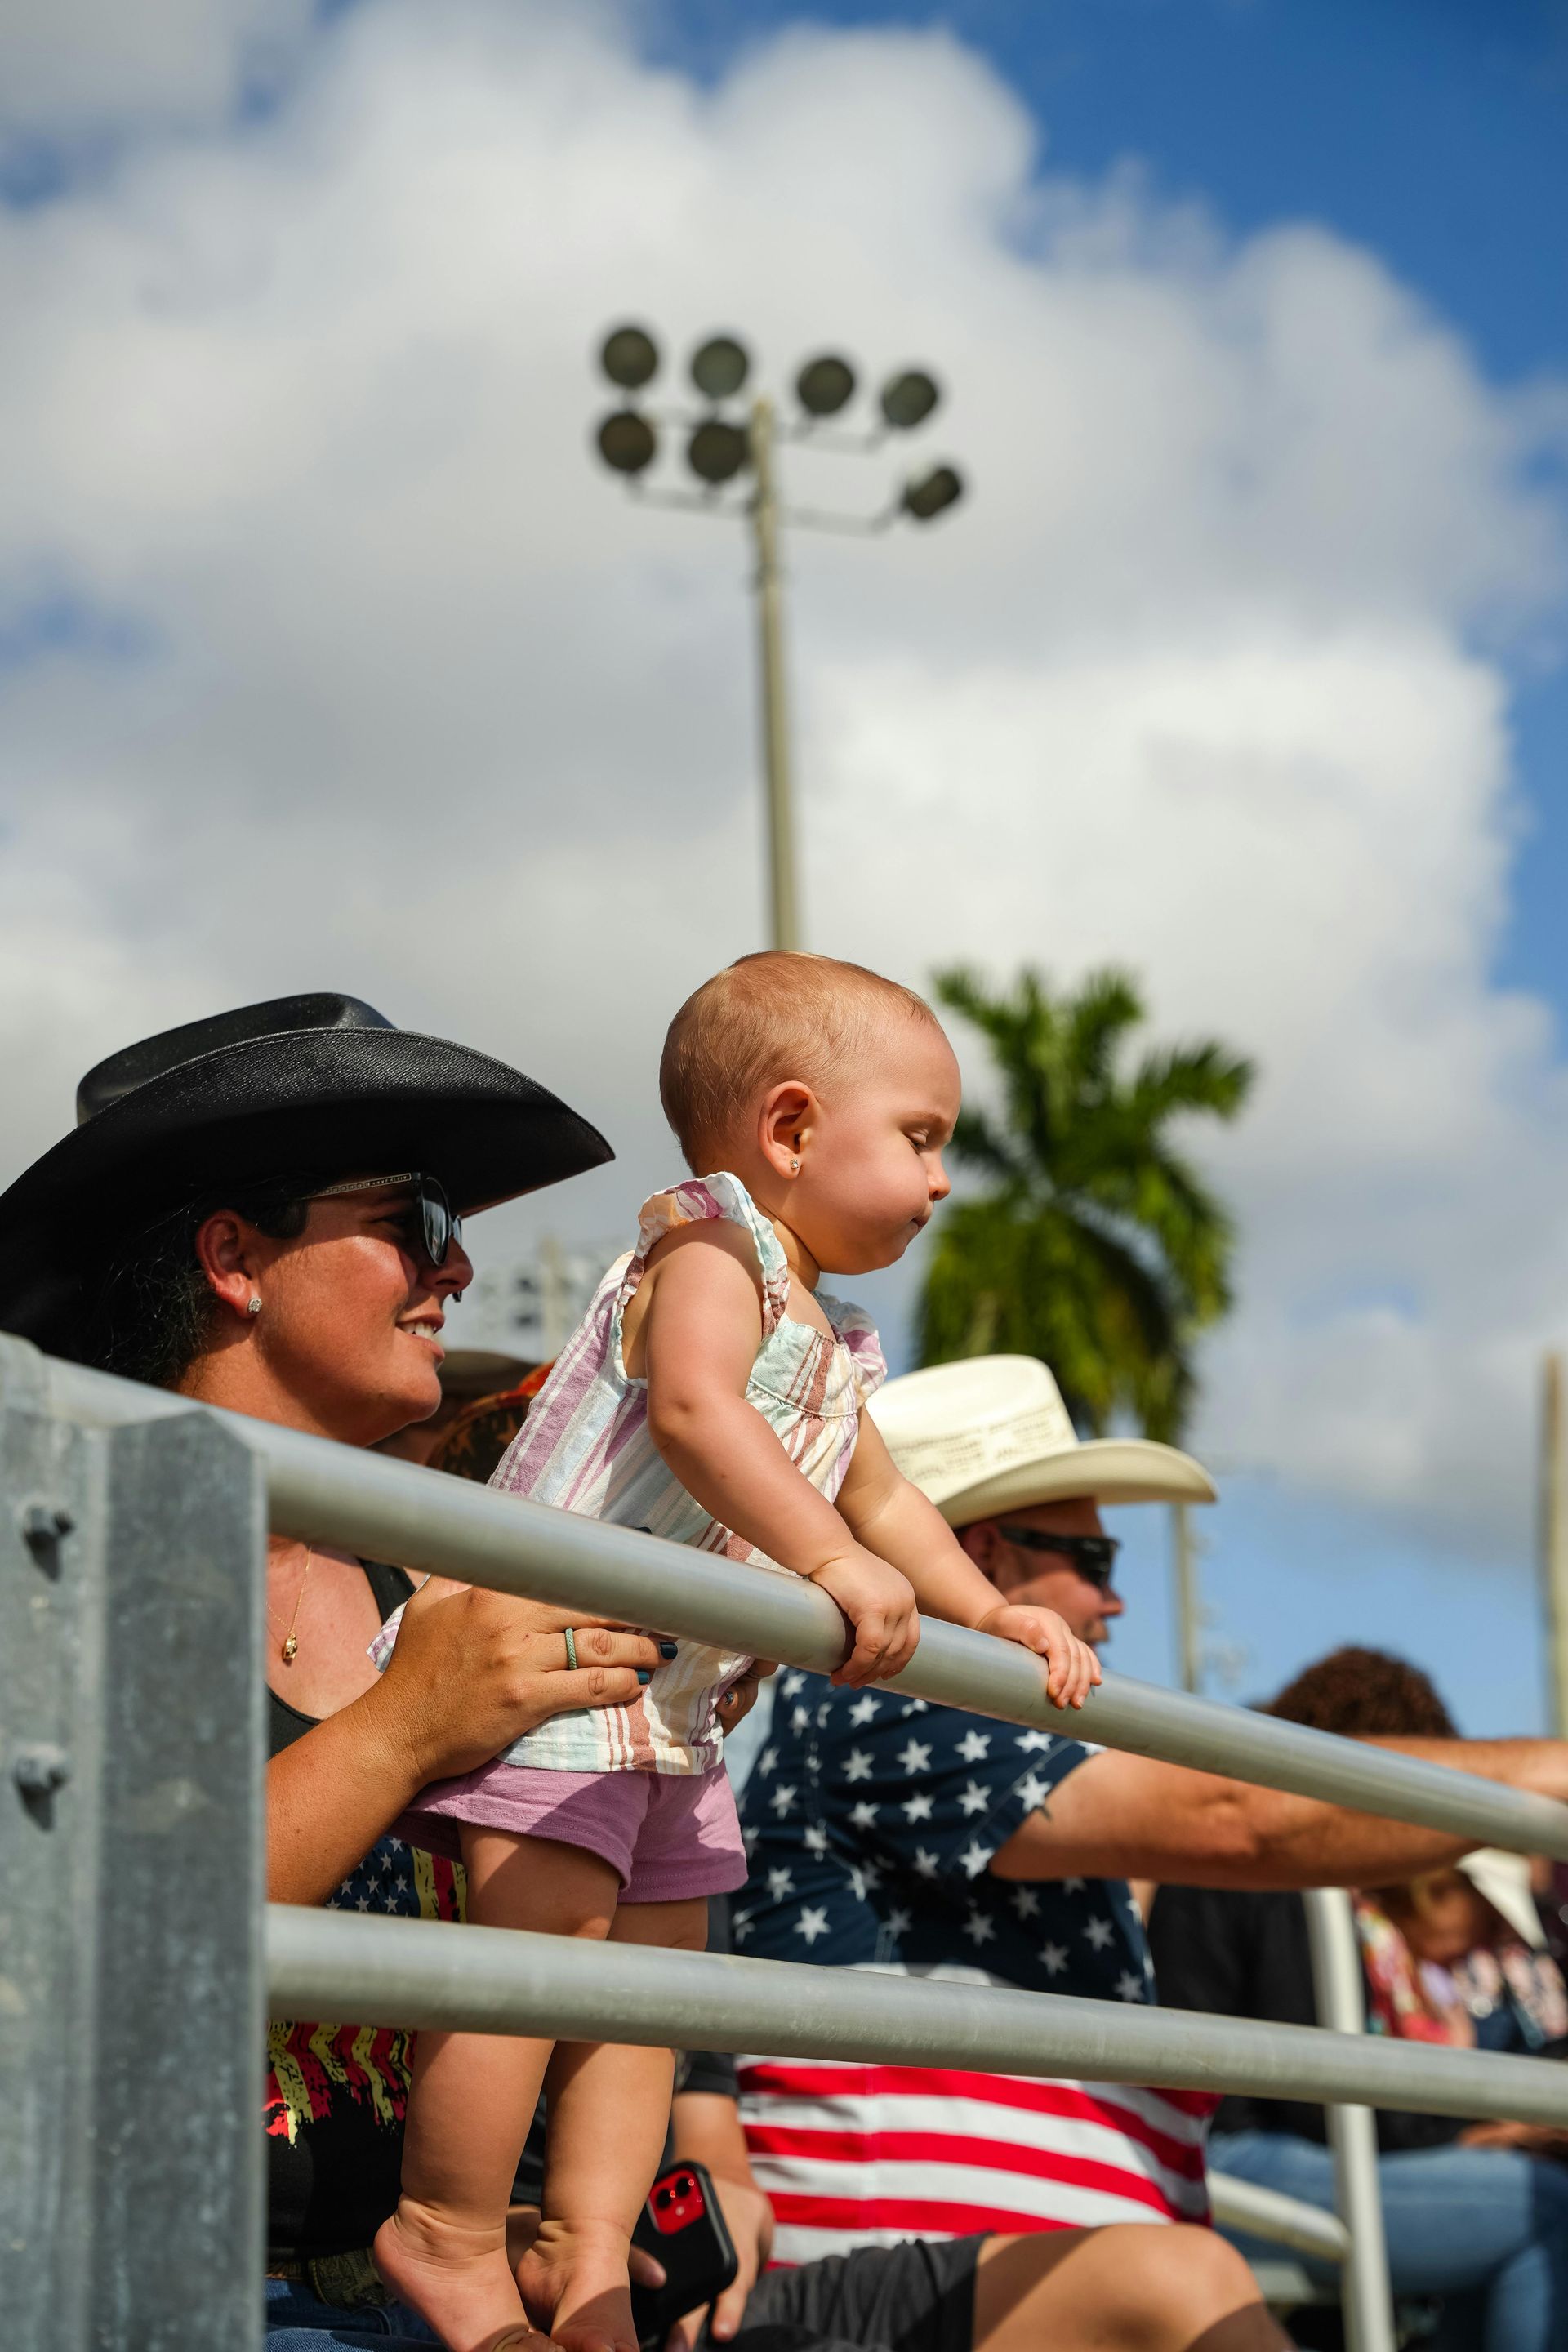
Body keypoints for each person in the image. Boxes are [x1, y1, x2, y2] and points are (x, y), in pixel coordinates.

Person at [369, 953, 1098, 2352]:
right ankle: (450, 2230)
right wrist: (829, 1565)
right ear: (789, 1129)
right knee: (536, 1970)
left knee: (649, 2001)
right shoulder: (710, 1247)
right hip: (556, 1671)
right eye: (922, 1138)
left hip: (679, 1717)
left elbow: (883, 1500)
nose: (942, 1181)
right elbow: (702, 1414)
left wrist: (990, 1611)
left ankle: (586, 2263)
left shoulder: (843, 1337)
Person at [0, 991, 675, 2351]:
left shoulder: (426, 1587)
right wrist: (400, 1732)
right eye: (415, 1221)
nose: (459, 1272)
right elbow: (65, 1962)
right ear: (235, 1258)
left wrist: (564, 2222)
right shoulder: (45, 1561)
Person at [736, 1352, 1568, 2268]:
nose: (1114, 1598)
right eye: (1092, 1559)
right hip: (917, 2258)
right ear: (984, 1552)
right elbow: (1238, 1816)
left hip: (1026, 2253)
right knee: (1540, 2212)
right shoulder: (888, 1690)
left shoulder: (928, 1706)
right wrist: (1548, 1773)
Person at [1152, 1646, 1568, 2352]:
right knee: (1546, 2213)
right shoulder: (1273, 1875)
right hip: (1228, 2158)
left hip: (1321, 2147)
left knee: (1524, 2210)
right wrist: (1470, 2131)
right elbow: (1311, 2089)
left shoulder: (1370, 1909)